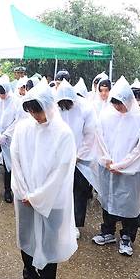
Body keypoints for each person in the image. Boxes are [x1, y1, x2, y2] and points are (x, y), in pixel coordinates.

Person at [11, 84, 78, 279]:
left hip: (53, 199)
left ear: (49, 107)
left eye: (37, 110)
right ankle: (29, 276)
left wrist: (39, 196)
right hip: (25, 196)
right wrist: (23, 191)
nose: (34, 116)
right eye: (30, 111)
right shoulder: (23, 129)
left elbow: (61, 171)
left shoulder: (63, 133)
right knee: (27, 236)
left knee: (49, 240)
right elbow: (16, 159)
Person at [91, 76, 140, 257]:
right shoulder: (106, 114)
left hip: (130, 171)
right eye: (115, 103)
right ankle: (108, 231)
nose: (118, 107)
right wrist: (107, 161)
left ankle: (127, 236)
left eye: (121, 103)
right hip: (109, 167)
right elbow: (100, 138)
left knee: (129, 204)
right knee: (108, 199)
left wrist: (122, 164)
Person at [56, 81, 97, 238]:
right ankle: (60, 222)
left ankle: (75, 224)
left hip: (80, 159)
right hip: (60, 158)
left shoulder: (85, 108)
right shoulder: (55, 108)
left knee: (78, 191)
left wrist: (79, 155)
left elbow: (90, 134)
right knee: (60, 190)